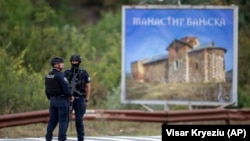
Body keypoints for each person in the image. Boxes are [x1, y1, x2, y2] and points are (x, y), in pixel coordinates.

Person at [45, 56, 74, 141]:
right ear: (56, 65)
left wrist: (51, 98)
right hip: (62, 100)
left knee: (52, 121)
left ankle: (48, 138)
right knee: (64, 120)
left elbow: (46, 90)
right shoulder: (60, 76)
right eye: (61, 63)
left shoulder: (48, 75)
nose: (63, 64)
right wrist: (70, 96)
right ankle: (61, 139)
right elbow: (66, 88)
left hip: (52, 100)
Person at [64, 54, 91, 141]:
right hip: (68, 98)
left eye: (76, 61)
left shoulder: (84, 73)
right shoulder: (66, 73)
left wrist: (87, 98)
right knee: (66, 119)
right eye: (73, 61)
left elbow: (88, 87)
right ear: (71, 61)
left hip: (80, 99)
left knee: (79, 120)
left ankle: (80, 138)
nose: (74, 62)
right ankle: (62, 137)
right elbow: (62, 85)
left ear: (79, 62)